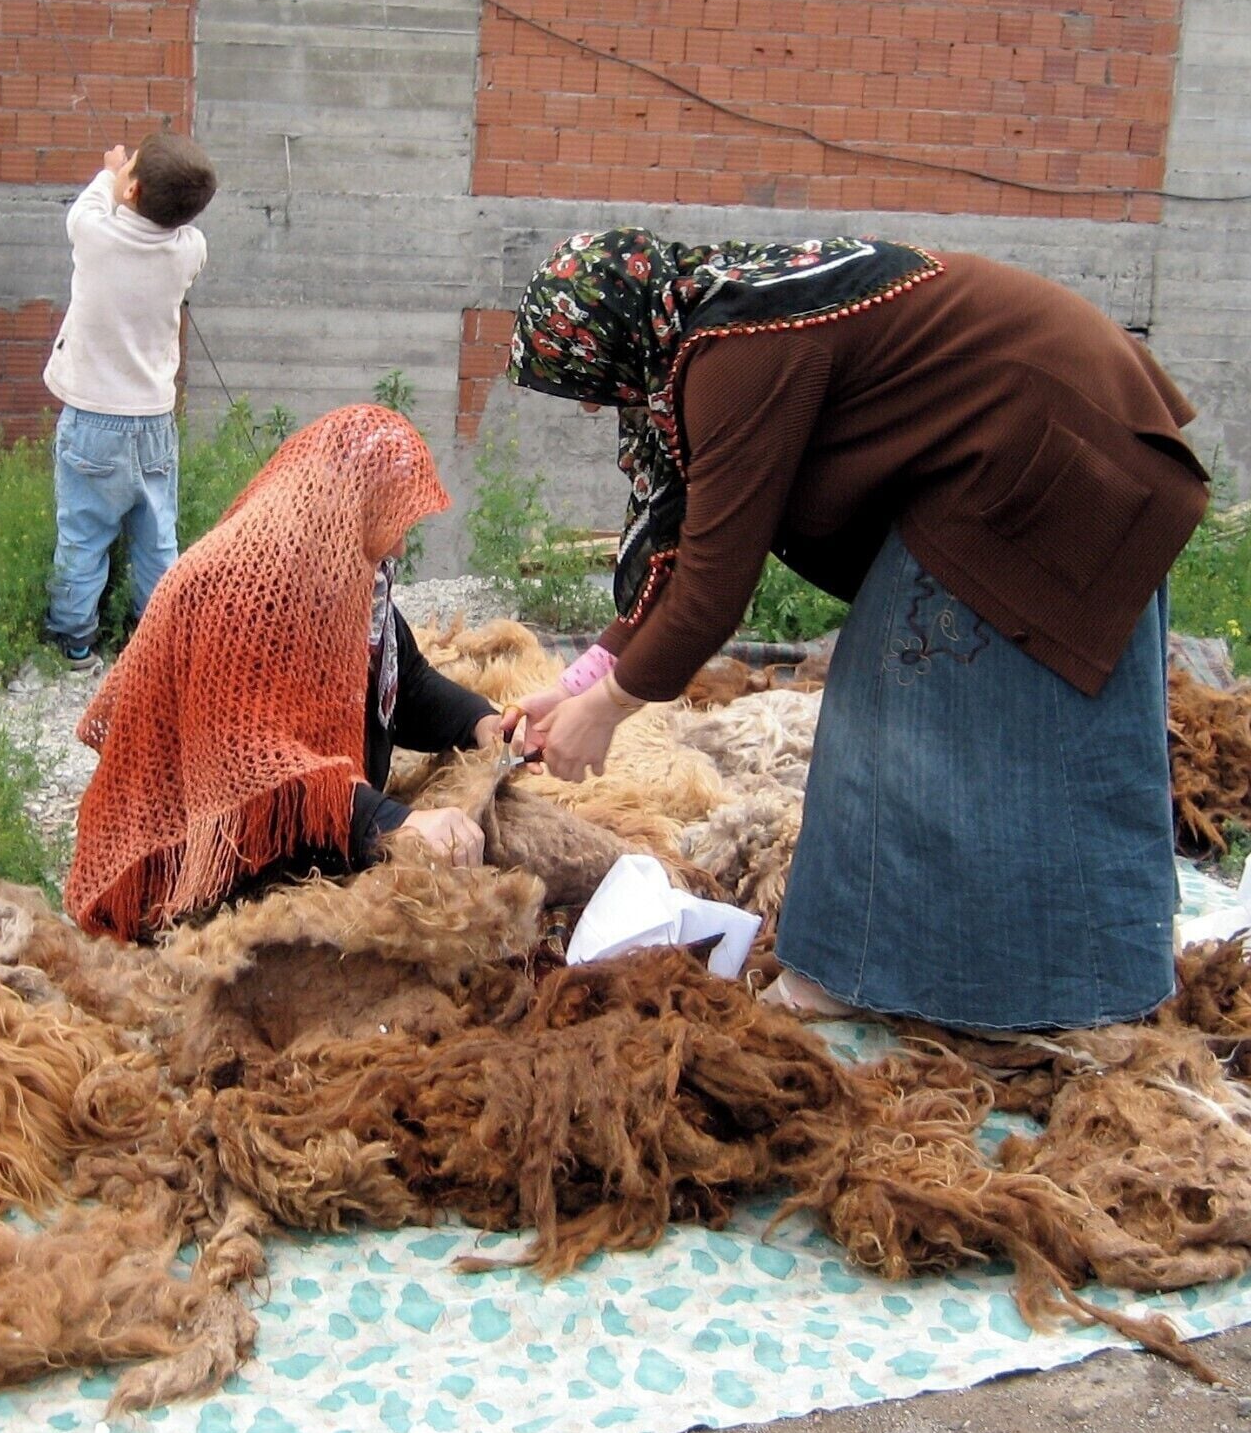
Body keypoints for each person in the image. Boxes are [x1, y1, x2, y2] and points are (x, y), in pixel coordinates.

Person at [506, 230, 1210, 1031]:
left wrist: (609, 708)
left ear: (615, 334)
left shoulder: (735, 352)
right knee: (1038, 739)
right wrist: (574, 686)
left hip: (1041, 462)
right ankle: (1085, 973)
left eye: (582, 376)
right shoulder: (718, 314)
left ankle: (858, 974)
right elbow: (681, 545)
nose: (594, 402)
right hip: (1060, 440)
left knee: (889, 718)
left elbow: (712, 587)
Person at [66, 404, 505, 941]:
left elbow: (402, 682)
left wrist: (483, 722)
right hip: (189, 866)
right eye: (392, 522)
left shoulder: (341, 571)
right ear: (348, 506)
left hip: (276, 832)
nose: (398, 545)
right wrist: (394, 822)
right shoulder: (239, 590)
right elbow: (249, 766)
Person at [42, 132, 219, 670]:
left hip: (92, 421)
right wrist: (137, 183)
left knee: (83, 536)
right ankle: (159, 644)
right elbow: (171, 224)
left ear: (133, 188)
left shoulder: (96, 235)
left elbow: (87, 209)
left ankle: (75, 644)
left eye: (129, 170)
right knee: (156, 537)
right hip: (153, 422)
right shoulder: (189, 249)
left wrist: (108, 172)